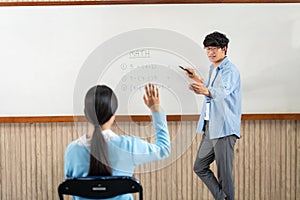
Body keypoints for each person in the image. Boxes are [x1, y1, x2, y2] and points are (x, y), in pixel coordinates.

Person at [64, 83, 170, 200]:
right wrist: (155, 110)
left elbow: (72, 188)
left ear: (86, 114)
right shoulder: (129, 146)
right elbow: (164, 149)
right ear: (113, 114)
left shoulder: (72, 150)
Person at [185, 31, 241, 200]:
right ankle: (222, 198)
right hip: (211, 126)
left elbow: (223, 92)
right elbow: (210, 88)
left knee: (224, 174)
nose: (210, 52)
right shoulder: (213, 68)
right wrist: (195, 77)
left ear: (224, 49)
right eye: (208, 49)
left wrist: (205, 90)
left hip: (224, 128)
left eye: (214, 48)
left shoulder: (230, 70)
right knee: (199, 166)